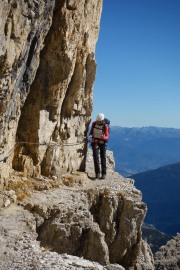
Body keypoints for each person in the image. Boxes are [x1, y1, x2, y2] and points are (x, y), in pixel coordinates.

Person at [88, 113, 109, 179]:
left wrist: (103, 137)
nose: (98, 122)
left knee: (103, 157)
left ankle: (103, 174)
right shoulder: (94, 124)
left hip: (102, 142)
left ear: (102, 121)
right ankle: (97, 173)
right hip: (95, 142)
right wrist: (90, 135)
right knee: (95, 157)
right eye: (97, 121)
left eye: (99, 121)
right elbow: (91, 131)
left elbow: (107, 136)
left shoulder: (105, 126)